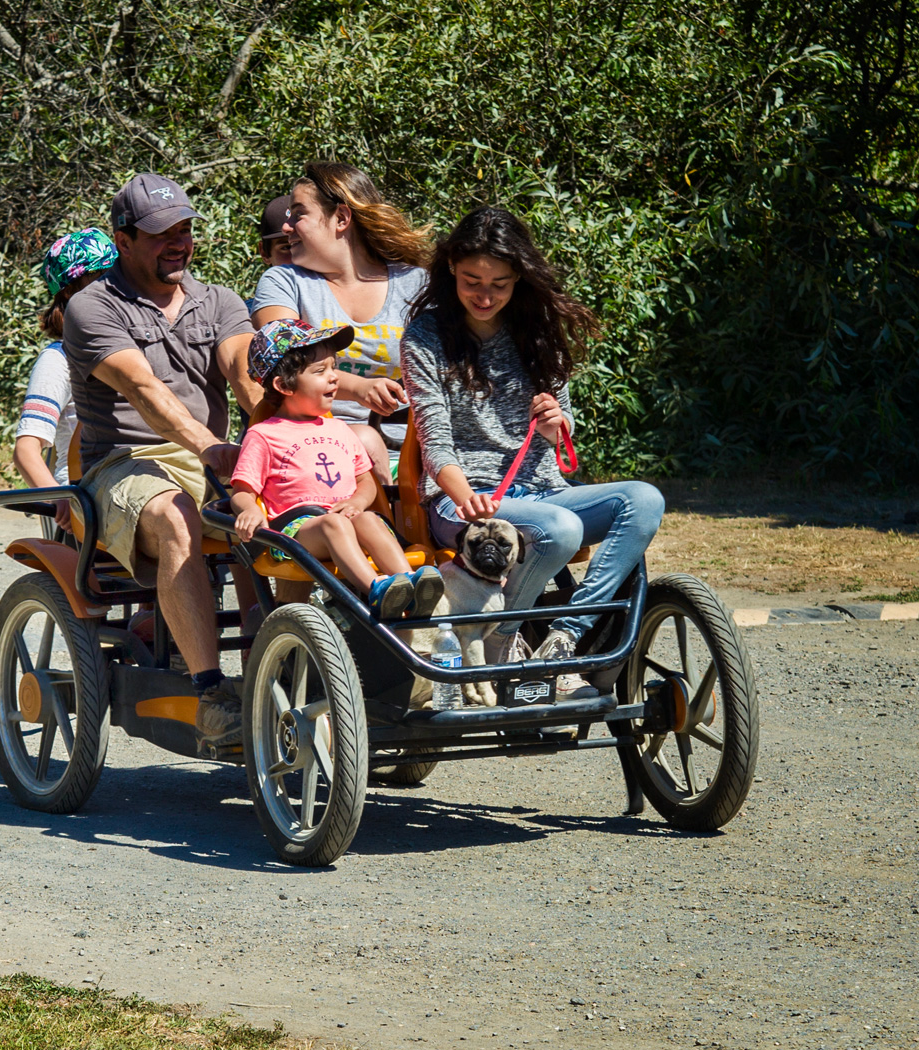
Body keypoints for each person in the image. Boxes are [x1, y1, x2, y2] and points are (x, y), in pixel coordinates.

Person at [402, 205, 664, 679]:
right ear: (450, 273)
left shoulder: (537, 328)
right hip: (462, 502)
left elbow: (564, 422)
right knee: (560, 528)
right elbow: (434, 440)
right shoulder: (426, 335)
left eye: (498, 284)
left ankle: (565, 636)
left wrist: (557, 424)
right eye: (471, 281)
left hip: (542, 490)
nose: (484, 295)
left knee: (645, 499)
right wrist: (467, 500)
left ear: (519, 278)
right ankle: (504, 637)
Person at [63, 172, 267, 745]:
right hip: (123, 465)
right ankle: (211, 695)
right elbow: (146, 393)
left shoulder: (221, 302)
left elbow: (244, 374)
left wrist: (269, 436)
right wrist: (213, 449)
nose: (178, 242)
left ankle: (286, 660)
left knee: (291, 510)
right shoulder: (92, 306)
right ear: (122, 239)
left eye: (185, 229)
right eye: (161, 234)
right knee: (176, 512)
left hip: (215, 459)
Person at [229, 320, 445, 619]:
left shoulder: (340, 429)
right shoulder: (265, 435)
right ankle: (378, 589)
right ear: (283, 385)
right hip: (296, 532)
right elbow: (243, 490)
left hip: (344, 520)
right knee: (334, 524)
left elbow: (365, 482)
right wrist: (248, 510)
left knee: (368, 519)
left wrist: (357, 502)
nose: (334, 379)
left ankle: (409, 584)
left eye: (334, 368)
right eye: (320, 372)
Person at [249, 163, 430, 497]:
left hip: (413, 450)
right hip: (313, 444)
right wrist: (358, 387)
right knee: (363, 438)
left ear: (342, 219)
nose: (286, 226)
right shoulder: (284, 282)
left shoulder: (416, 284)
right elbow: (279, 354)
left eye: (298, 213)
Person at [13, 229, 119, 514]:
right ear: (70, 291)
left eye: (117, 275)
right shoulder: (58, 360)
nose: (115, 287)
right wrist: (61, 500)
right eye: (101, 278)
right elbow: (26, 450)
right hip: (89, 494)